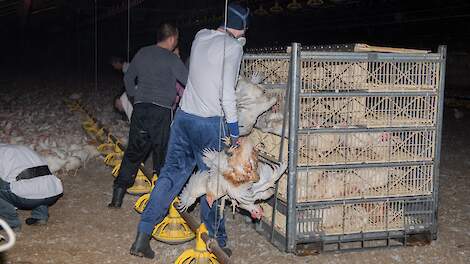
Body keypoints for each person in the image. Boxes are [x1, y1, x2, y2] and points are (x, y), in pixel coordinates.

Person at [129, 3, 249, 259]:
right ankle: (217, 241)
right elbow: (227, 92)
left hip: (183, 119)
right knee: (211, 182)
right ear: (241, 29)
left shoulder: (200, 36)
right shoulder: (233, 48)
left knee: (170, 177)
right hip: (209, 124)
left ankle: (142, 235)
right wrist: (235, 131)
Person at [108, 23, 188, 208]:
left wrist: (134, 97)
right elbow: (187, 80)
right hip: (161, 111)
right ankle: (159, 199)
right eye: (176, 39)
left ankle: (117, 195)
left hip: (141, 109)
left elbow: (128, 78)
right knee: (162, 153)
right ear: (171, 39)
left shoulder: (142, 53)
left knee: (134, 151)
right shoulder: (171, 58)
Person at [0, 144, 63, 231]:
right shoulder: (22, 147)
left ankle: (10, 223)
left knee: (27, 184)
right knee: (37, 181)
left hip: (27, 196)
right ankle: (40, 216)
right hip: (52, 190)